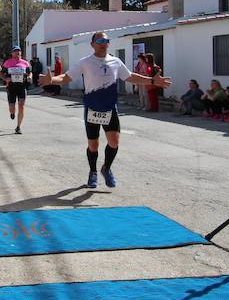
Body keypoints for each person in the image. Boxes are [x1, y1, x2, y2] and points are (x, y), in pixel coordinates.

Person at [39, 32, 171, 189]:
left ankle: (106, 168)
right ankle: (93, 172)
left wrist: (152, 80)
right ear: (92, 44)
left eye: (106, 41)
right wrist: (52, 80)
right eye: (100, 40)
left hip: (110, 107)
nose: (104, 43)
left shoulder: (115, 61)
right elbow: (66, 77)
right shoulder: (85, 62)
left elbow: (129, 77)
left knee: (114, 142)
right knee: (93, 145)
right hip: (92, 107)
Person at [0, 46, 31, 134]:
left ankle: (18, 127)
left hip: (22, 87)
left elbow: (29, 73)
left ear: (21, 52)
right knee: (12, 108)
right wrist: (5, 79)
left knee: (21, 106)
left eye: (19, 51)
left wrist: (29, 77)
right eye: (15, 51)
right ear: (12, 53)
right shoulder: (8, 62)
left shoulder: (25, 63)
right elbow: (1, 73)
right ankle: (12, 113)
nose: (17, 52)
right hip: (11, 88)